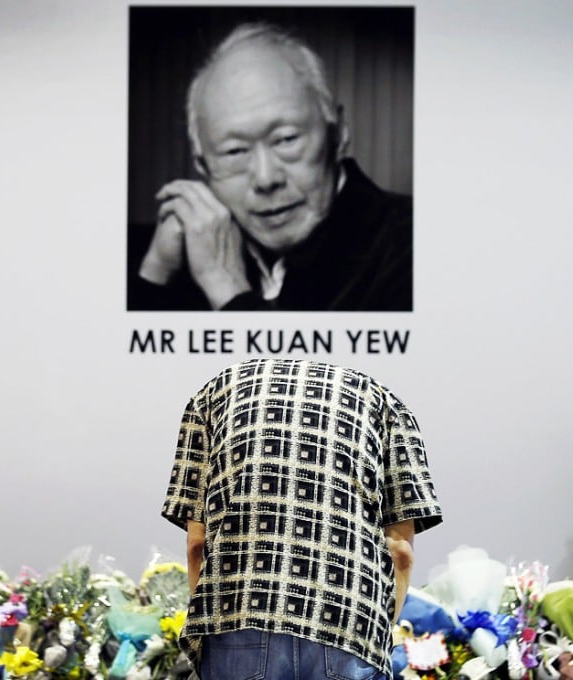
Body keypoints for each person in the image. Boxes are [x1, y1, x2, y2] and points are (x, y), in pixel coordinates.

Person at [161, 358, 442, 679]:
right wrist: (378, 634)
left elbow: (197, 543)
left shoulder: (211, 398)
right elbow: (400, 553)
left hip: (238, 619)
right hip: (347, 624)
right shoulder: (384, 404)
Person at [128, 23, 413, 311]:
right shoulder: (169, 255)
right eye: (235, 151)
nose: (265, 179)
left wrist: (229, 292)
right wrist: (157, 272)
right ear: (203, 165)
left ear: (338, 134)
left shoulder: (413, 248)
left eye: (286, 139)